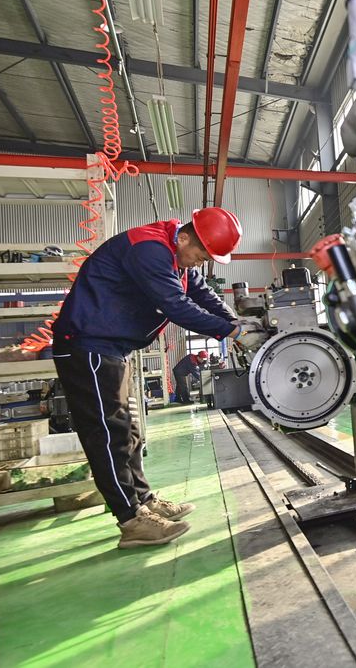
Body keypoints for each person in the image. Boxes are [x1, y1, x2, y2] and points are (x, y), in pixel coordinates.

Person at [51, 208, 242, 548]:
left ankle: (144, 500)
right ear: (184, 237)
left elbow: (202, 295)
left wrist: (236, 321)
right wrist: (231, 330)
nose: (198, 263)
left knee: (130, 431)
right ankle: (130, 519)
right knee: (108, 433)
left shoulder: (176, 257)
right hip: (88, 345)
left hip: (112, 348)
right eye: (199, 255)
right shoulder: (150, 249)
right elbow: (176, 305)